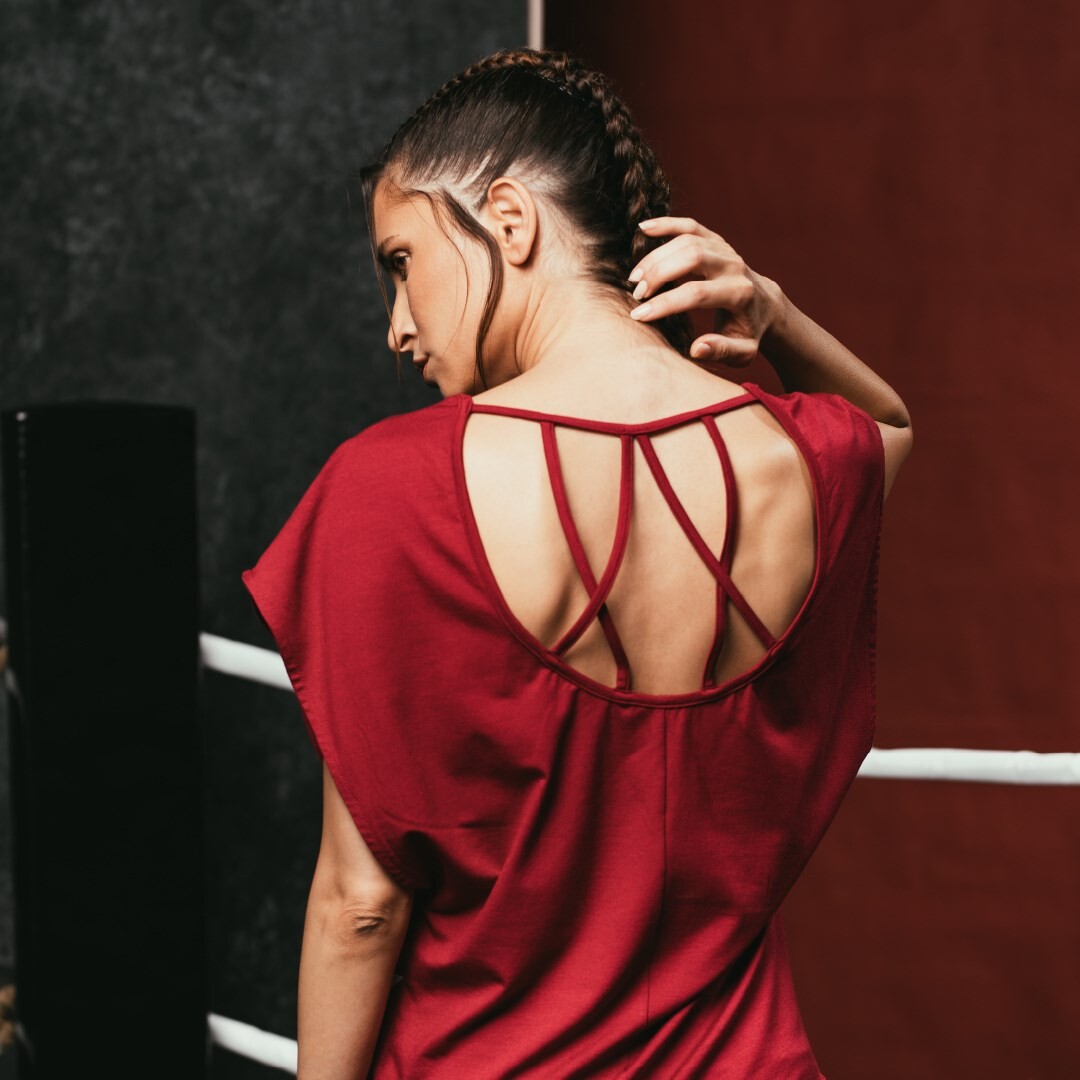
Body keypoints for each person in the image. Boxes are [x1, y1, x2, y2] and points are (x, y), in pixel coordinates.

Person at [242, 46, 913, 1079]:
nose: (397, 327)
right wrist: (771, 311)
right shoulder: (800, 459)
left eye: (401, 262)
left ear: (509, 221)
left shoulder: (393, 489)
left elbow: (360, 906)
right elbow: (888, 426)